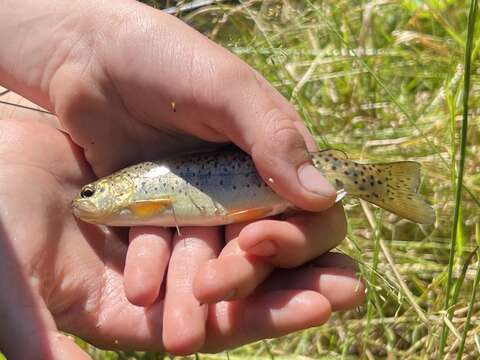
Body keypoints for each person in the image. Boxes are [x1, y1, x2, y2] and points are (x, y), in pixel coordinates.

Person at [0, 1, 365, 358]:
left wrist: (76, 44)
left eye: (91, 193)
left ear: (119, 189)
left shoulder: (136, 192)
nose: (83, 201)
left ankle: (366, 181)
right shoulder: (131, 194)